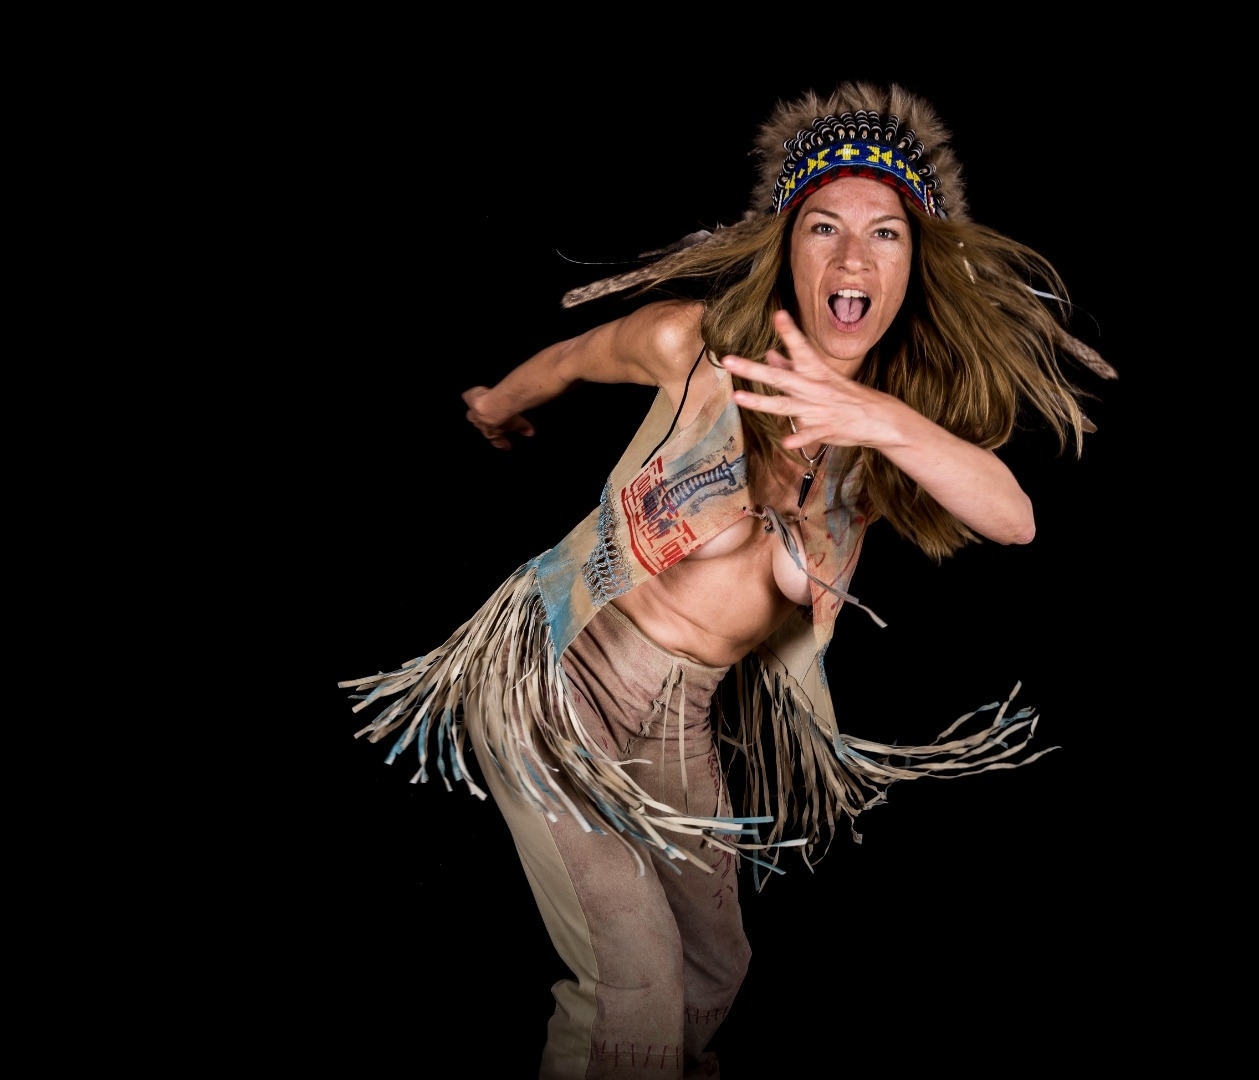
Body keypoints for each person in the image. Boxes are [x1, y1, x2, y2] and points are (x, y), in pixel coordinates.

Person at [339, 82, 1115, 1079]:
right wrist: (496, 404)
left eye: (883, 234)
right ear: (786, 247)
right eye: (823, 227)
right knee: (633, 984)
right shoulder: (696, 349)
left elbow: (1013, 518)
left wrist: (872, 418)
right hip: (556, 677)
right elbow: (574, 356)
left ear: (912, 264)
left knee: (714, 971)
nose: (850, 259)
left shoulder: (890, 439)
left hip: (679, 715)